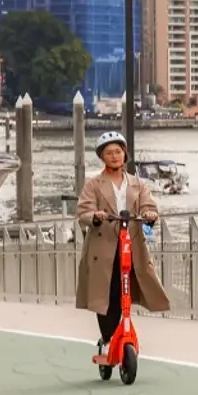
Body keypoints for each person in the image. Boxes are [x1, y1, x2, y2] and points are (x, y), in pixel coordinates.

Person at [73, 131, 171, 353]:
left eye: (118, 151)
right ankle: (108, 339)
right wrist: (95, 216)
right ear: (102, 157)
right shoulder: (94, 184)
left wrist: (149, 214)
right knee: (107, 294)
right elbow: (83, 212)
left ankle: (122, 335)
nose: (115, 156)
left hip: (131, 246)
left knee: (127, 290)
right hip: (103, 247)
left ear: (125, 154)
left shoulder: (137, 183)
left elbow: (149, 206)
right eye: (109, 153)